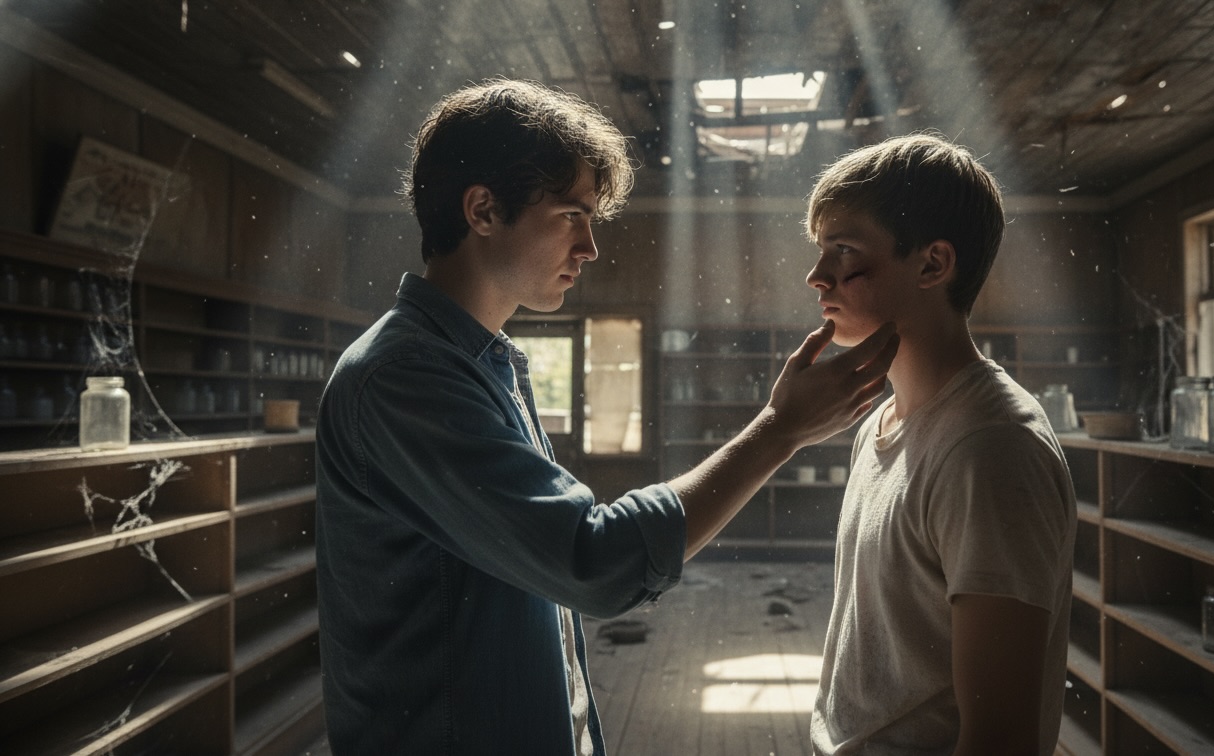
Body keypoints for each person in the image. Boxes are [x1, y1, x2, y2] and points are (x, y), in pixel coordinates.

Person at [314, 78, 900, 755]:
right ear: (483, 210)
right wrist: (780, 429)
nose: (590, 247)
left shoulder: (478, 362)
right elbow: (593, 560)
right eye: (572, 215)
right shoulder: (405, 378)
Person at [803, 134, 1077, 756]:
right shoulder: (880, 422)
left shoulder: (992, 449)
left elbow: (999, 741)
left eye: (844, 251)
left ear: (932, 264)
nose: (817, 277)